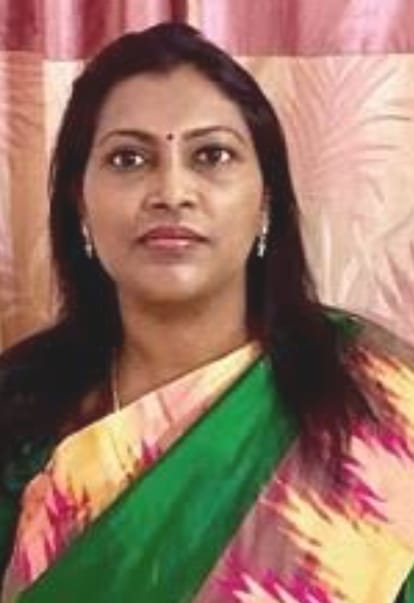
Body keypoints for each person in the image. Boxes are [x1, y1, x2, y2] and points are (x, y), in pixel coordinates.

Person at [0, 21, 413, 603]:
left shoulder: (374, 402)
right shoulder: (19, 416)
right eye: (128, 159)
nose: (172, 191)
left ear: (266, 200)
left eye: (212, 155)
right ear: (80, 203)